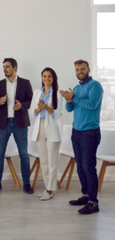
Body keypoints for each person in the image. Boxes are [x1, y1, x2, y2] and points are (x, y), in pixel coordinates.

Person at [60, 59, 103, 214]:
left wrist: (74, 97)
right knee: (80, 167)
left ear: (88, 70)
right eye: (77, 69)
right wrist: (68, 99)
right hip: (76, 132)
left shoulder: (95, 86)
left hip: (90, 133)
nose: (80, 71)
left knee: (89, 168)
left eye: (82, 69)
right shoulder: (77, 88)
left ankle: (94, 202)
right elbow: (70, 108)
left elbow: (92, 104)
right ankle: (85, 196)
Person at [0, 58, 34, 194]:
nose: (5, 69)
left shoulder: (25, 83)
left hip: (20, 123)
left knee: (24, 155)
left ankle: (26, 183)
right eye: (3, 67)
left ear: (15, 68)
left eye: (7, 67)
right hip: (4, 123)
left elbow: (31, 101)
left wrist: (22, 106)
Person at [30, 67, 63, 200]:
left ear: (53, 78)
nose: (46, 79)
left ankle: (50, 190)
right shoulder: (37, 92)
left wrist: (46, 108)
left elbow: (58, 114)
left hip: (52, 129)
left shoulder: (58, 94)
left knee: (52, 161)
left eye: (49, 76)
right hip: (40, 128)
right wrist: (39, 108)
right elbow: (33, 112)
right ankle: (47, 188)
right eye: (44, 76)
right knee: (43, 161)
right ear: (41, 78)